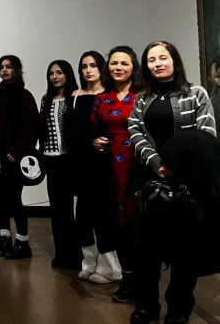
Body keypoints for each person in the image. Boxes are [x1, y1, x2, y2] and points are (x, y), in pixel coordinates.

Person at [128, 42, 217, 324]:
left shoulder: (196, 94)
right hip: (149, 181)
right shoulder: (141, 99)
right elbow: (135, 132)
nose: (157, 63)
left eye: (163, 58)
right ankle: (147, 306)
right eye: (151, 59)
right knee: (146, 252)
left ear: (174, 61)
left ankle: (178, 310)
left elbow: (205, 136)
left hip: (187, 184)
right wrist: (157, 164)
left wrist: (176, 166)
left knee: (184, 254)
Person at [90, 45, 143, 301]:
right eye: (114, 63)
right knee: (115, 224)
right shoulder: (101, 98)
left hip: (138, 164)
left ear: (134, 67)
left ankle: (144, 280)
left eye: (124, 63)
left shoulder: (143, 96)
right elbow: (93, 130)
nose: (118, 68)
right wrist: (95, 141)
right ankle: (127, 278)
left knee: (137, 223)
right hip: (108, 167)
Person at [0, 55, 39, 260]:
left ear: (17, 70)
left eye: (9, 67)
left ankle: (22, 242)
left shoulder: (25, 96)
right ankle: (4, 237)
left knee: (14, 199)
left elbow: (32, 128)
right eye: (1, 67)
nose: (4, 70)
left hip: (15, 157)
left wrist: (18, 151)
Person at [67, 51, 111, 280]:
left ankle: (109, 266)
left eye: (93, 65)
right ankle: (89, 261)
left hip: (102, 161)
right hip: (80, 159)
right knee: (82, 215)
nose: (88, 70)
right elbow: (71, 129)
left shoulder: (109, 94)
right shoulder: (75, 95)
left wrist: (100, 141)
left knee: (102, 214)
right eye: (84, 66)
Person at [40, 59, 82, 269]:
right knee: (57, 209)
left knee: (71, 208)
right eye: (51, 73)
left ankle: (77, 254)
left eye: (59, 72)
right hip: (51, 158)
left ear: (67, 74)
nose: (55, 77)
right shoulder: (46, 99)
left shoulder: (76, 97)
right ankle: (61, 253)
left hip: (69, 158)